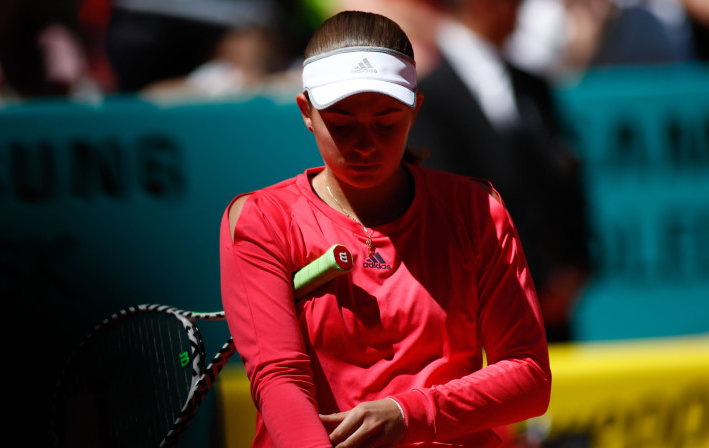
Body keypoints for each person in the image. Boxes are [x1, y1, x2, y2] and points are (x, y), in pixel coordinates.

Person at [219, 10, 551, 448]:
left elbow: (528, 375)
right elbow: (279, 380)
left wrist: (407, 414)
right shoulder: (260, 219)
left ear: (415, 110)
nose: (364, 144)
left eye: (386, 122)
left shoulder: (477, 210)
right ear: (306, 111)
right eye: (341, 124)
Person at [407, 0, 592, 343]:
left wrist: (571, 271)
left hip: (552, 313)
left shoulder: (533, 86)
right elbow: (445, 206)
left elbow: (565, 177)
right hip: (479, 317)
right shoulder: (427, 96)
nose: (521, 7)